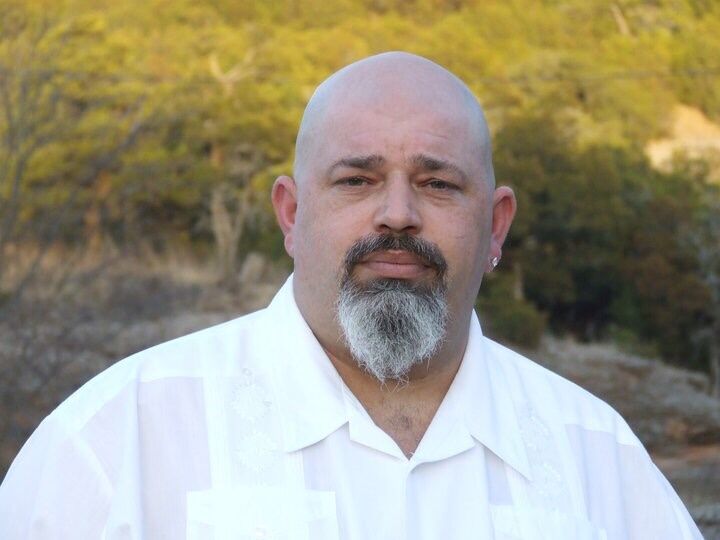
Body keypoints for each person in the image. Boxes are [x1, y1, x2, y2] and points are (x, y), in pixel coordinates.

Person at [0, 52, 702, 539]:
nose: (396, 214)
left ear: (496, 226)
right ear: (291, 215)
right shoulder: (115, 443)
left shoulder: (600, 459)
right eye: (357, 180)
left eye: (437, 183)